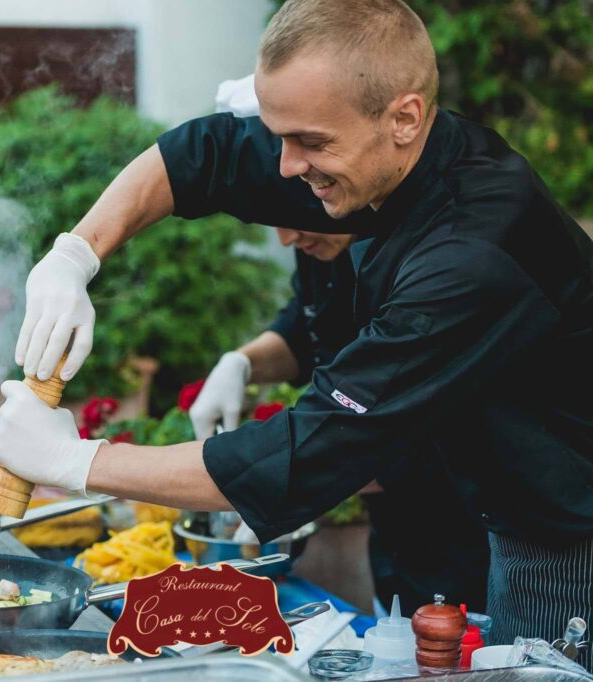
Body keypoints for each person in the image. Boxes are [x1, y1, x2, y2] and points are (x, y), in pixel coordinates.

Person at [0, 1, 593, 678]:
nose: (286, 168)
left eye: (308, 142)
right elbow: (199, 158)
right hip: (516, 545)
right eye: (279, 137)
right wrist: (75, 255)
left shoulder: (471, 255)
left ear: (404, 117)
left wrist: (76, 460)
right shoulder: (369, 159)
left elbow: (306, 453)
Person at [191, 74, 490, 614]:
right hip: (395, 542)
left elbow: (385, 427)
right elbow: (304, 331)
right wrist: (241, 363)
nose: (287, 238)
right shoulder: (321, 239)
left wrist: (309, 482)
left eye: (293, 219)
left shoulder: (431, 262)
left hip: (472, 534)